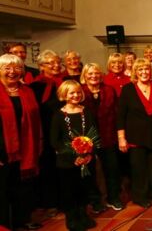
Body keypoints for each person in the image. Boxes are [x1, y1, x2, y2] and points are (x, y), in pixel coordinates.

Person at [117, 58, 152, 208]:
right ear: (135, 72)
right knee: (139, 168)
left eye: (146, 69)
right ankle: (140, 196)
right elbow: (121, 115)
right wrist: (121, 137)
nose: (144, 72)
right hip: (136, 136)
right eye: (140, 70)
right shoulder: (128, 89)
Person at [0, 54, 42, 230]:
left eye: (17, 68)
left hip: (26, 149)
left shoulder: (28, 91)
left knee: (22, 189)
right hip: (2, 151)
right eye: (7, 68)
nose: (12, 72)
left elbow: (36, 121)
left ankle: (20, 222)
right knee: (1, 191)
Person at [51, 80, 98, 230]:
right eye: (72, 93)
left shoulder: (86, 112)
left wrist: (90, 153)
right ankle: (72, 218)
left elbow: (94, 134)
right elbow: (55, 140)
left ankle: (83, 215)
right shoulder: (59, 115)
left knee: (84, 188)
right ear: (64, 94)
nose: (75, 95)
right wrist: (73, 157)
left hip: (86, 159)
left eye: (78, 92)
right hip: (67, 161)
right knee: (69, 190)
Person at [80, 63, 123, 212]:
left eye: (97, 73)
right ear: (84, 75)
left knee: (112, 169)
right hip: (87, 139)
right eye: (90, 73)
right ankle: (95, 201)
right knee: (91, 172)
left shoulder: (109, 90)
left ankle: (113, 198)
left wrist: (120, 134)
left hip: (108, 136)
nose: (94, 76)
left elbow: (117, 113)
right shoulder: (80, 91)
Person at [30, 49, 63, 216]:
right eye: (51, 63)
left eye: (57, 62)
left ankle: (65, 200)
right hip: (46, 134)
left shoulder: (65, 83)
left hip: (64, 134)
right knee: (48, 169)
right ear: (41, 66)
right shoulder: (34, 87)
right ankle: (51, 202)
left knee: (65, 168)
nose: (56, 65)